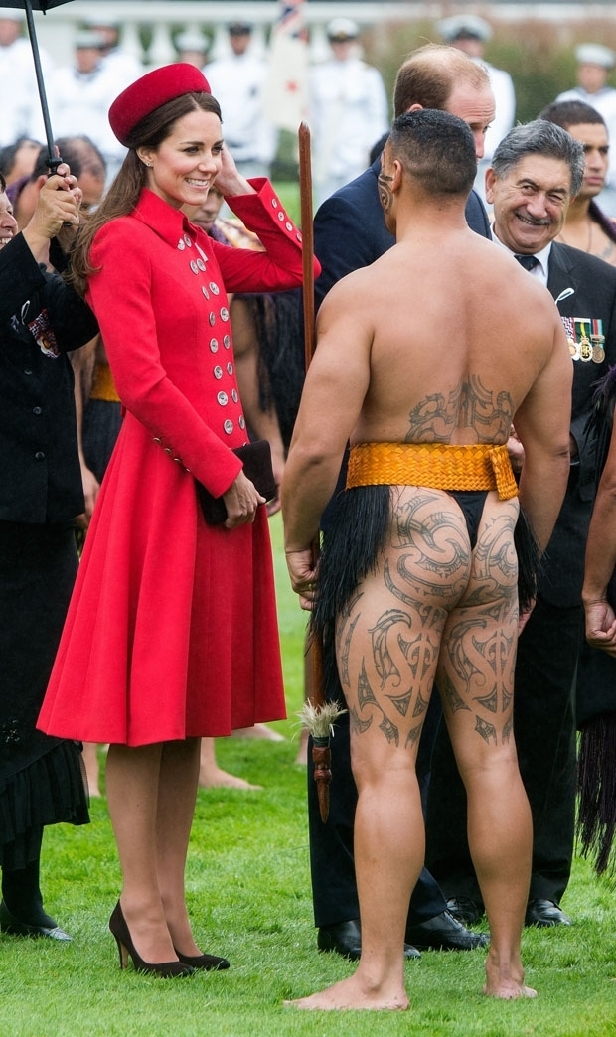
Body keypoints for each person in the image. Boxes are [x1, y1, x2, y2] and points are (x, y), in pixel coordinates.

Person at [282, 108, 572, 1008]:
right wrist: (531, 556)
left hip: (396, 525)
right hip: (491, 530)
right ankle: (508, 971)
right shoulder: (530, 299)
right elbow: (553, 450)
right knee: (493, 754)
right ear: (475, 180)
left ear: (393, 177)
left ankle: (380, 975)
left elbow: (316, 451)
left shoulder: (367, 292)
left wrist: (299, 536)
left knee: (385, 757)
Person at [37, 63, 318, 977]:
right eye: (191, 151)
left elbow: (292, 267)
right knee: (140, 713)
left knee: (190, 709)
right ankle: (139, 907)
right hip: (163, 493)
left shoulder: (197, 240)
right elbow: (145, 380)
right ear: (146, 154)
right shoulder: (121, 243)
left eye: (216, 146)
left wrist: (247, 188)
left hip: (213, 492)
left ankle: (170, 907)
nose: (207, 164)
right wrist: (226, 476)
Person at [304, 43, 494, 964]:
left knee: (426, 731)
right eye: (471, 128)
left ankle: (419, 898)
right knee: (352, 718)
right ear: (411, 130)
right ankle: (346, 904)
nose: (481, 150)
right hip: (370, 486)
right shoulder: (347, 217)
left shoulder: (475, 209)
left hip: (466, 494)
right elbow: (330, 396)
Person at [426, 119, 616, 929]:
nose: (538, 207)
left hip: (563, 533)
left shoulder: (598, 284)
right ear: (491, 184)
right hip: (458, 519)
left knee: (543, 707)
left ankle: (538, 881)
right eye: (525, 188)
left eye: (555, 193)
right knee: (453, 712)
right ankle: (447, 880)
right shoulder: (442, 274)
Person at [0, 163, 96, 941]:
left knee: (32, 705)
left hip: (40, 526)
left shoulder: (24, 282)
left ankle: (23, 895)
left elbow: (72, 322)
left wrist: (69, 241)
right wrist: (30, 238)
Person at [436, 14, 516, 204]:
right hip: (445, 160)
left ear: (480, 45)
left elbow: (501, 121)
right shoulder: (438, 75)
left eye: (470, 40)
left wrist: (480, 151)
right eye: (458, 40)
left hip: (485, 160)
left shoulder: (499, 78)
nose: (464, 45)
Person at [309, 18, 389, 206]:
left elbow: (377, 116)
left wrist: (373, 151)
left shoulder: (368, 74)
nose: (341, 47)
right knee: (325, 205)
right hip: (326, 154)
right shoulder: (317, 75)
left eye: (346, 42)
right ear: (330, 44)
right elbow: (312, 114)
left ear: (354, 43)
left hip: (356, 153)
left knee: (357, 204)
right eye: (337, 42)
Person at [538, 100, 616, 263]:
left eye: (603, 151)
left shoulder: (611, 231)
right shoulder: (501, 229)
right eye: (584, 150)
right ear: (547, 153)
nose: (598, 164)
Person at [206, 22, 277, 180]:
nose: (238, 41)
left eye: (242, 36)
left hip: (254, 149)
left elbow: (268, 113)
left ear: (249, 38)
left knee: (255, 198)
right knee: (222, 202)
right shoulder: (214, 71)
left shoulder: (263, 71)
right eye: (235, 36)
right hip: (225, 147)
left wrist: (266, 149)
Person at [556, 44, 616, 215]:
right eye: (585, 69)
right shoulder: (566, 98)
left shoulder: (613, 101)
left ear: (605, 73)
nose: (589, 75)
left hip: (608, 184)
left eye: (594, 70)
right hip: (570, 181)